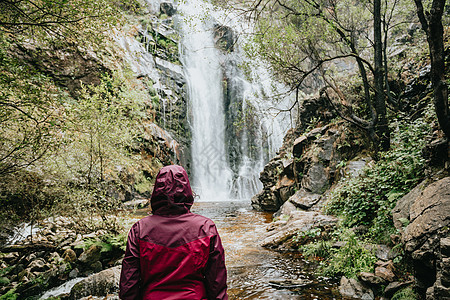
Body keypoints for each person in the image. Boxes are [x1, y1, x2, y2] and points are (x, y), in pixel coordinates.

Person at [119, 165, 228, 300]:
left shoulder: (140, 230)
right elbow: (217, 281)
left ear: (156, 191)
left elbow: (129, 284)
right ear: (187, 191)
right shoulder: (205, 228)